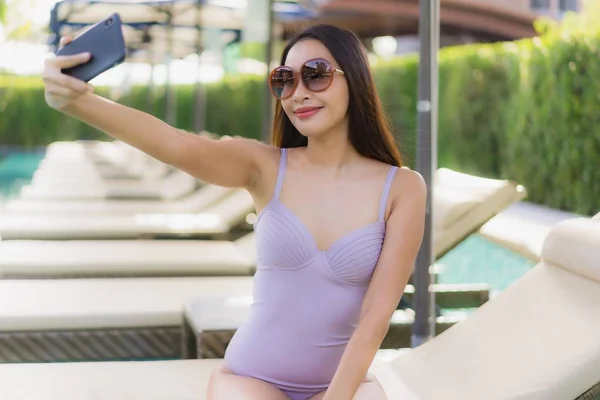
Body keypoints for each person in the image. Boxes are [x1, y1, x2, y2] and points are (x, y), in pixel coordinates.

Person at [42, 23, 426, 400]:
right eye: (284, 80)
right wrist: (79, 101)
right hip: (252, 379)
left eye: (316, 75)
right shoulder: (264, 167)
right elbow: (175, 145)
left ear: (355, 79)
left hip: (344, 386)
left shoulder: (402, 189)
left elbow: (376, 318)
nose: (298, 93)